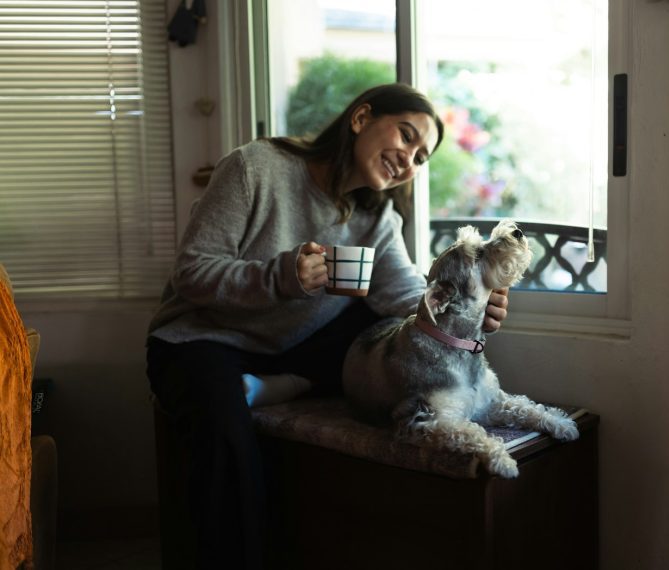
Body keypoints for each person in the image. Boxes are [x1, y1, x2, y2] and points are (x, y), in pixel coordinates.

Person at [145, 83, 512, 569]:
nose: (409, 160)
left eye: (421, 157)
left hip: (290, 345)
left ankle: (287, 381)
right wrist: (280, 276)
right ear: (361, 117)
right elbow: (192, 272)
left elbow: (404, 297)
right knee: (225, 435)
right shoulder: (255, 167)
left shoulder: (377, 215)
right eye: (406, 137)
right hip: (201, 338)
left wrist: (466, 305)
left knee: (376, 318)